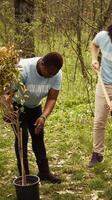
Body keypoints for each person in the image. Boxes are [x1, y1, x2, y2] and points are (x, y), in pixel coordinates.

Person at [8, 52, 63, 183]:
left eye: (53, 74)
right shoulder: (23, 69)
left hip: (34, 106)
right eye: (49, 73)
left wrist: (43, 116)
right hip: (17, 105)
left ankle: (44, 172)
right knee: (22, 137)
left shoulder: (56, 74)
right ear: (42, 64)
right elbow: (8, 94)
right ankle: (24, 175)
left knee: (38, 135)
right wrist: (9, 111)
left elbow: (52, 98)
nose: (50, 77)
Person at [88, 23, 112, 168]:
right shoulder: (103, 36)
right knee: (99, 121)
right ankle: (97, 154)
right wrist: (94, 59)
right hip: (103, 84)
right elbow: (94, 44)